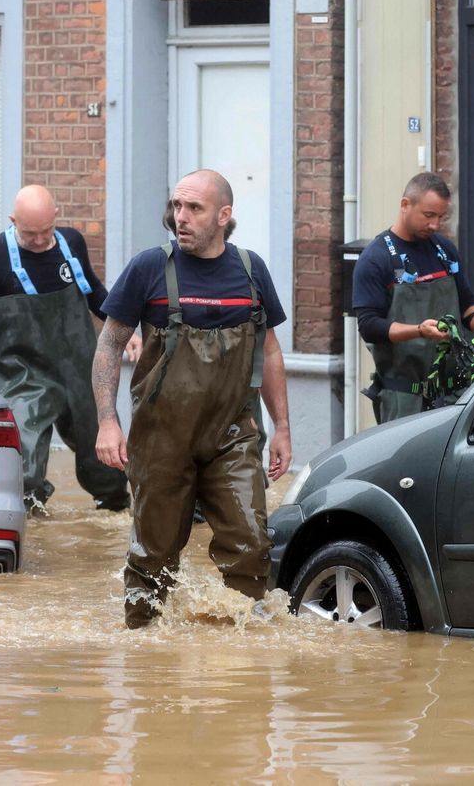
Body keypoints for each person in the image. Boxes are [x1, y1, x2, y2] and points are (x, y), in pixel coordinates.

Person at [93, 169, 292, 629]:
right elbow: (108, 344)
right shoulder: (148, 267)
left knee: (251, 543)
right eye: (177, 207)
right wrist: (107, 420)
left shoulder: (250, 268)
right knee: (154, 556)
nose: (180, 218)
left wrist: (282, 428)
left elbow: (269, 348)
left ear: (224, 216)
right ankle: (148, 654)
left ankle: (244, 654)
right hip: (162, 437)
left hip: (233, 434)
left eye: (194, 209)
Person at [0, 184, 140, 513]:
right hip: (20, 373)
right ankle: (28, 513)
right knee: (23, 450)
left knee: (103, 447)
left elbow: (96, 293)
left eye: (47, 231)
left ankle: (115, 508)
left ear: (56, 216)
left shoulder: (72, 243)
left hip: (78, 367)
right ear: (13, 221)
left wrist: (127, 331)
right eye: (30, 234)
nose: (40, 241)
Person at [352, 172, 474, 423]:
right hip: (405, 399)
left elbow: (467, 305)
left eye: (440, 217)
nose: (435, 225)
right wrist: (419, 330)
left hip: (457, 395)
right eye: (428, 215)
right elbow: (369, 326)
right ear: (405, 205)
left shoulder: (444, 251)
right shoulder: (375, 258)